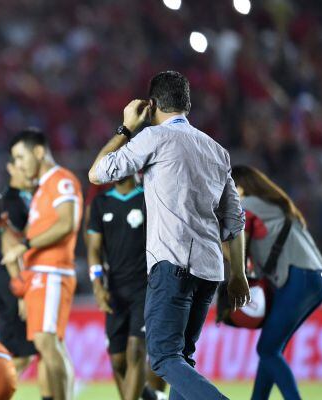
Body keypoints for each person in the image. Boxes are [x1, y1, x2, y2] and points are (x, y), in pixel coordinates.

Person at [88, 71, 250, 400]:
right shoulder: (217, 151)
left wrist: (127, 128)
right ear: (187, 104)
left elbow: (97, 173)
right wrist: (239, 275)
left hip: (171, 265)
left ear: (152, 105)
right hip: (209, 272)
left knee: (163, 358)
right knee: (182, 361)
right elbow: (234, 219)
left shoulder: (154, 138)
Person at [231, 165, 322, 400]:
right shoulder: (276, 205)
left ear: (241, 187)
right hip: (316, 278)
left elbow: (233, 238)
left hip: (299, 278)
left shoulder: (247, 205)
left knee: (267, 348)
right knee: (272, 348)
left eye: (231, 187)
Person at [2, 128, 81, 400]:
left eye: (20, 157)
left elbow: (66, 222)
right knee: (49, 344)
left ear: (38, 152)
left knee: (47, 343)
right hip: (40, 274)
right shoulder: (43, 188)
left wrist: (24, 246)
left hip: (53, 271)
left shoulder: (61, 181)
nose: (19, 164)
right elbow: (35, 233)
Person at [87, 176, 161, 400]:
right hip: (115, 291)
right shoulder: (100, 203)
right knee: (118, 360)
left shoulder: (148, 197)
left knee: (136, 350)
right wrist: (98, 285)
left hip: (145, 288)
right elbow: (94, 250)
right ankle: (150, 397)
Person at [0, 159, 38, 374]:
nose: (29, 172)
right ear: (11, 168)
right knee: (19, 356)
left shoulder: (17, 200)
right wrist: (22, 294)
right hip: (13, 283)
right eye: (22, 165)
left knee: (18, 355)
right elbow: (11, 251)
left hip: (9, 281)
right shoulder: (13, 202)